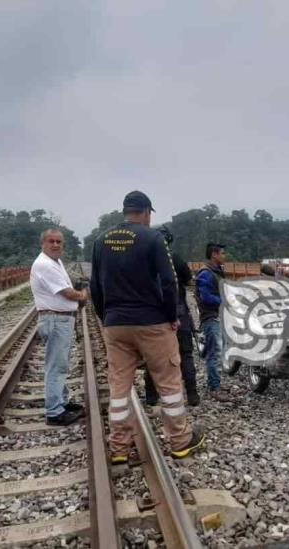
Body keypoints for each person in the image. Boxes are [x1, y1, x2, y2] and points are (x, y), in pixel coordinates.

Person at [90, 190, 205, 462]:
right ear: (146, 212)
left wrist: (106, 316)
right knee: (168, 382)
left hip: (115, 324)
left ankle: (119, 447)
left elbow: (96, 285)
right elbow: (169, 282)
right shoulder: (152, 238)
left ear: (125, 210)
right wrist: (171, 315)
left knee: (119, 387)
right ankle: (179, 441)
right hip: (152, 322)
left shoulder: (100, 240)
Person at [30, 228, 88, 426]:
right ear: (43, 244)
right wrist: (83, 295)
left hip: (60, 319)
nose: (55, 245)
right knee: (56, 366)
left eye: (58, 242)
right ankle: (54, 413)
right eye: (51, 241)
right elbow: (67, 293)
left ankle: (61, 402)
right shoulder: (45, 264)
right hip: (56, 320)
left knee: (59, 364)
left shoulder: (56, 262)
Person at [144, 226, 200, 407]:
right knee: (185, 354)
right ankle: (192, 395)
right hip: (178, 312)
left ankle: (152, 397)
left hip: (154, 315)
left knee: (152, 357)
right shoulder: (175, 258)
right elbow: (190, 282)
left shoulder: (144, 259)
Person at [195, 242, 231, 402]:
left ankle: (215, 384)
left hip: (217, 316)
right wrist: (224, 300)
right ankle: (214, 389)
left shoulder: (216, 271)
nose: (224, 256)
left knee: (218, 351)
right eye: (222, 253)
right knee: (214, 353)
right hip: (211, 317)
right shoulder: (206, 273)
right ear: (214, 254)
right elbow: (206, 297)